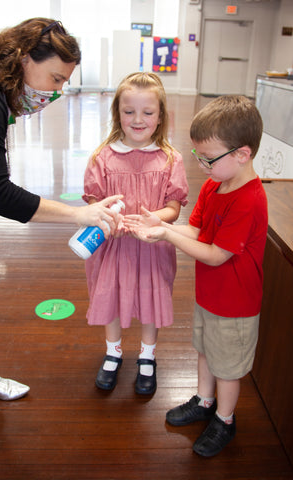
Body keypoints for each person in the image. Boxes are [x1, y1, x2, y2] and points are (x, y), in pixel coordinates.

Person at [0, 17, 121, 450]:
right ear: (22, 58)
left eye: (64, 83)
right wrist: (80, 215)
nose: (54, 92)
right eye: (54, 77)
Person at [124, 95, 268, 456]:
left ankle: (225, 419)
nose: (202, 165)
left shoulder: (249, 199)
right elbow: (198, 233)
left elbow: (217, 255)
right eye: (197, 157)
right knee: (205, 351)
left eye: (209, 158)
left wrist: (165, 234)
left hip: (236, 305)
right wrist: (162, 224)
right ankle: (204, 402)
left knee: (228, 367)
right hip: (209, 297)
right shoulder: (213, 185)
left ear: (242, 154)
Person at [82, 72, 188, 395]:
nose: (137, 120)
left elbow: (174, 207)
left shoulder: (171, 159)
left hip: (153, 246)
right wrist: (107, 213)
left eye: (147, 112)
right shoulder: (103, 156)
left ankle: (147, 356)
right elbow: (92, 200)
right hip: (112, 247)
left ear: (160, 117)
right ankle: (113, 352)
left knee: (150, 298)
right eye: (129, 112)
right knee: (110, 297)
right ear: (118, 113)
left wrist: (151, 220)